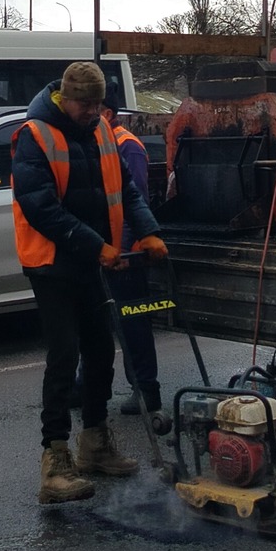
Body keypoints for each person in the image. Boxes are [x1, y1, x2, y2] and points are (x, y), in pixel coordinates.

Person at [12, 61, 166, 503]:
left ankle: (95, 443)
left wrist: (148, 229)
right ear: (65, 97)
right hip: (51, 263)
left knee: (100, 350)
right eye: (85, 104)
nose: (92, 111)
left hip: (90, 259)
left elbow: (126, 191)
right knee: (64, 356)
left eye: (98, 104)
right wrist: (95, 244)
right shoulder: (34, 136)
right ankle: (54, 460)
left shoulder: (100, 131)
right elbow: (40, 207)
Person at [102, 95, 162, 414]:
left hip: (126, 255)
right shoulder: (100, 141)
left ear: (107, 112)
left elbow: (133, 203)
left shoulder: (128, 146)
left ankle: (145, 389)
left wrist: (125, 250)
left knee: (132, 323)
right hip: (105, 251)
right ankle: (85, 384)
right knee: (102, 320)